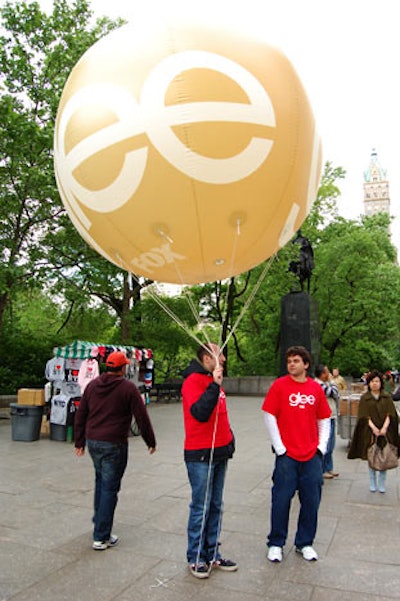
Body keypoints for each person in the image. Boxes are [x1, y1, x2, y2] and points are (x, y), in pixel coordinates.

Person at [74, 350, 157, 550]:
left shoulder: (92, 386)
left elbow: (81, 413)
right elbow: (141, 416)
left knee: (101, 482)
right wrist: (150, 441)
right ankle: (101, 536)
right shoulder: (128, 388)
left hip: (94, 441)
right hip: (114, 443)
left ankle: (99, 523)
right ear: (122, 368)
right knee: (110, 488)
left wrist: (79, 441)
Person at [262, 345, 331, 563]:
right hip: (287, 456)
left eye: (296, 361)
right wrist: (280, 447)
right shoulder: (279, 386)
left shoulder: (315, 389)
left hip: (311, 456)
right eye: (289, 361)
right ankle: (275, 543)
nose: (292, 364)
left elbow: (324, 419)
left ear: (306, 364)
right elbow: (269, 415)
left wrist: (321, 447)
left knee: (311, 500)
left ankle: (305, 542)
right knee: (281, 500)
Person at [181, 342, 237, 579]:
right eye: (219, 355)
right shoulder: (193, 381)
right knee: (200, 507)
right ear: (206, 359)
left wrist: (230, 441)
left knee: (216, 505)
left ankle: (212, 552)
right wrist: (214, 385)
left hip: (219, 452)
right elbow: (200, 413)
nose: (223, 359)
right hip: (201, 454)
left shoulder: (214, 381)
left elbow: (220, 415)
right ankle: (195, 556)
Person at [348, 369, 399, 493]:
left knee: (384, 455)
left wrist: (384, 427)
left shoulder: (386, 397)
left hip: (385, 431)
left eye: (377, 381)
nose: (375, 384)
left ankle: (382, 481)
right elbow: (363, 416)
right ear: (369, 383)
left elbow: (390, 414)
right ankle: (372, 480)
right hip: (369, 431)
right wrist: (374, 428)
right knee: (371, 455)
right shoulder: (365, 398)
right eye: (372, 381)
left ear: (381, 383)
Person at [315, 365, 340, 479]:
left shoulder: (325, 384)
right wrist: (332, 381)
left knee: (331, 444)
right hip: (325, 418)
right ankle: (322, 469)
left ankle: (329, 467)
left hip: (331, 416)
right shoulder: (318, 384)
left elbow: (337, 394)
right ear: (322, 374)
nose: (329, 374)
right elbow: (333, 393)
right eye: (327, 372)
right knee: (326, 443)